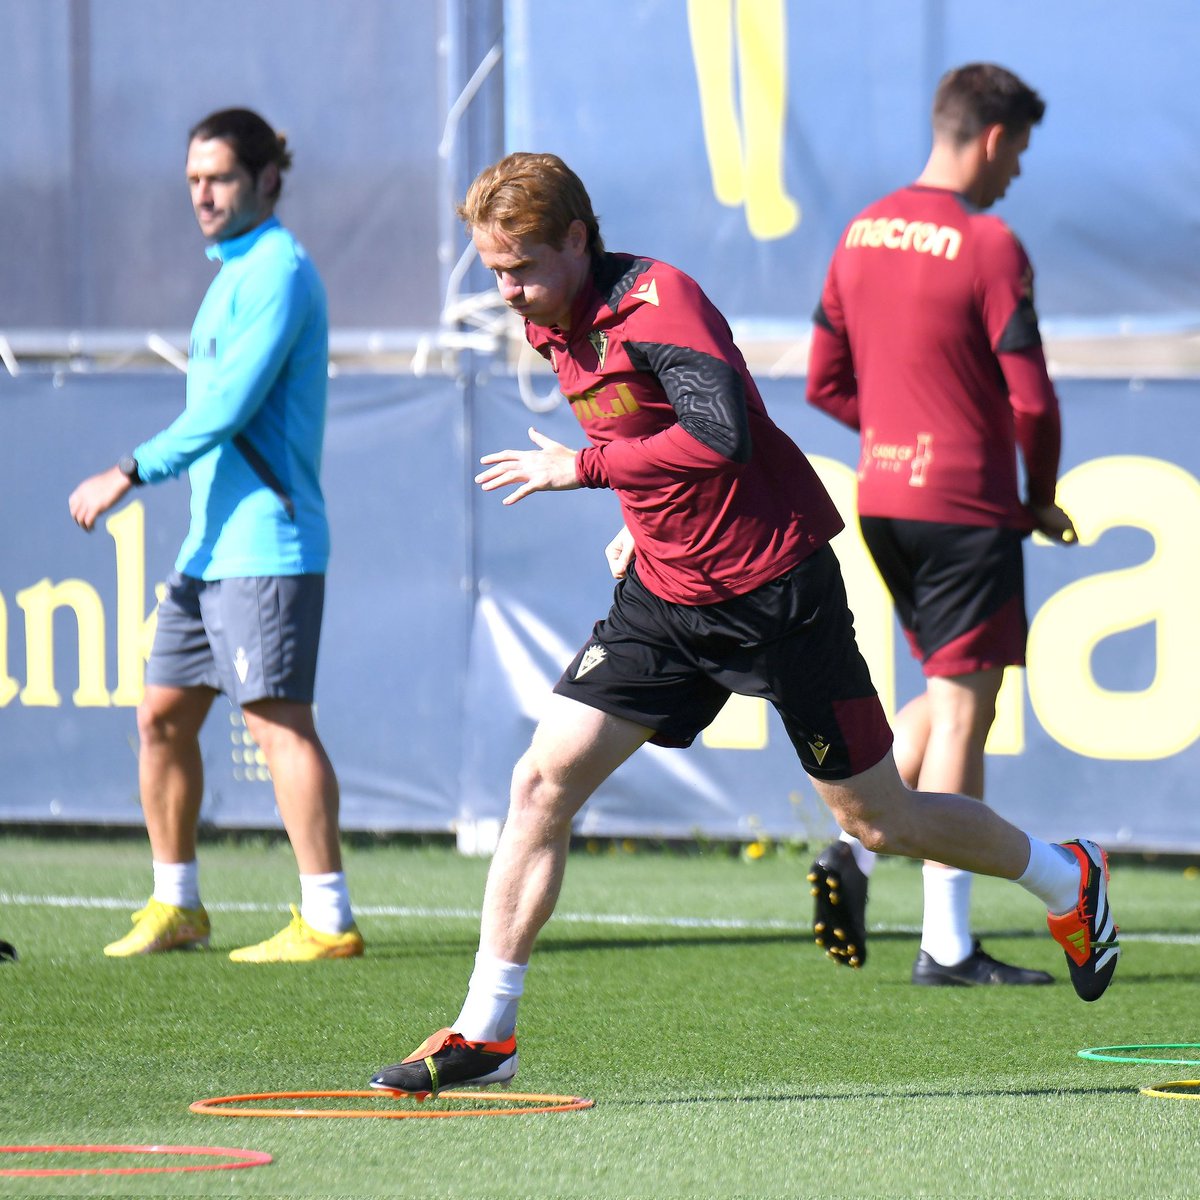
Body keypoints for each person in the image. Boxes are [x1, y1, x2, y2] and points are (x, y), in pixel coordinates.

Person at [368, 152, 1117, 1097]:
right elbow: (641, 438)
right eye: (493, 272)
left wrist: (584, 474)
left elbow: (717, 436)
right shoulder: (555, 318)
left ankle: (1065, 877)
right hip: (665, 599)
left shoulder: (658, 301)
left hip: (776, 591)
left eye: (520, 266)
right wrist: (635, 526)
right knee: (539, 783)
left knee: (877, 821)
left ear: (575, 237)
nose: (508, 291)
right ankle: (488, 1032)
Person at [68, 107, 362, 963]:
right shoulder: (231, 270)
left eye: (220, 178)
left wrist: (128, 469)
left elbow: (225, 407)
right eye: (193, 179)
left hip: (267, 543)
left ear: (269, 178)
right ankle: (179, 905)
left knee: (278, 723)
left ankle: (328, 916)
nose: (202, 194)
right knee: (160, 717)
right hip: (209, 549)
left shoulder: (278, 270)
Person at [805, 62, 1076, 988]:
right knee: (967, 705)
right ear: (994, 138)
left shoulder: (859, 232)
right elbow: (1032, 402)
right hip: (966, 504)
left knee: (954, 690)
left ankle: (858, 851)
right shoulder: (990, 242)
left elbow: (823, 381)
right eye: (1020, 153)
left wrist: (895, 436)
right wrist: (1036, 492)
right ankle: (948, 943)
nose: (1017, 175)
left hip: (883, 498)